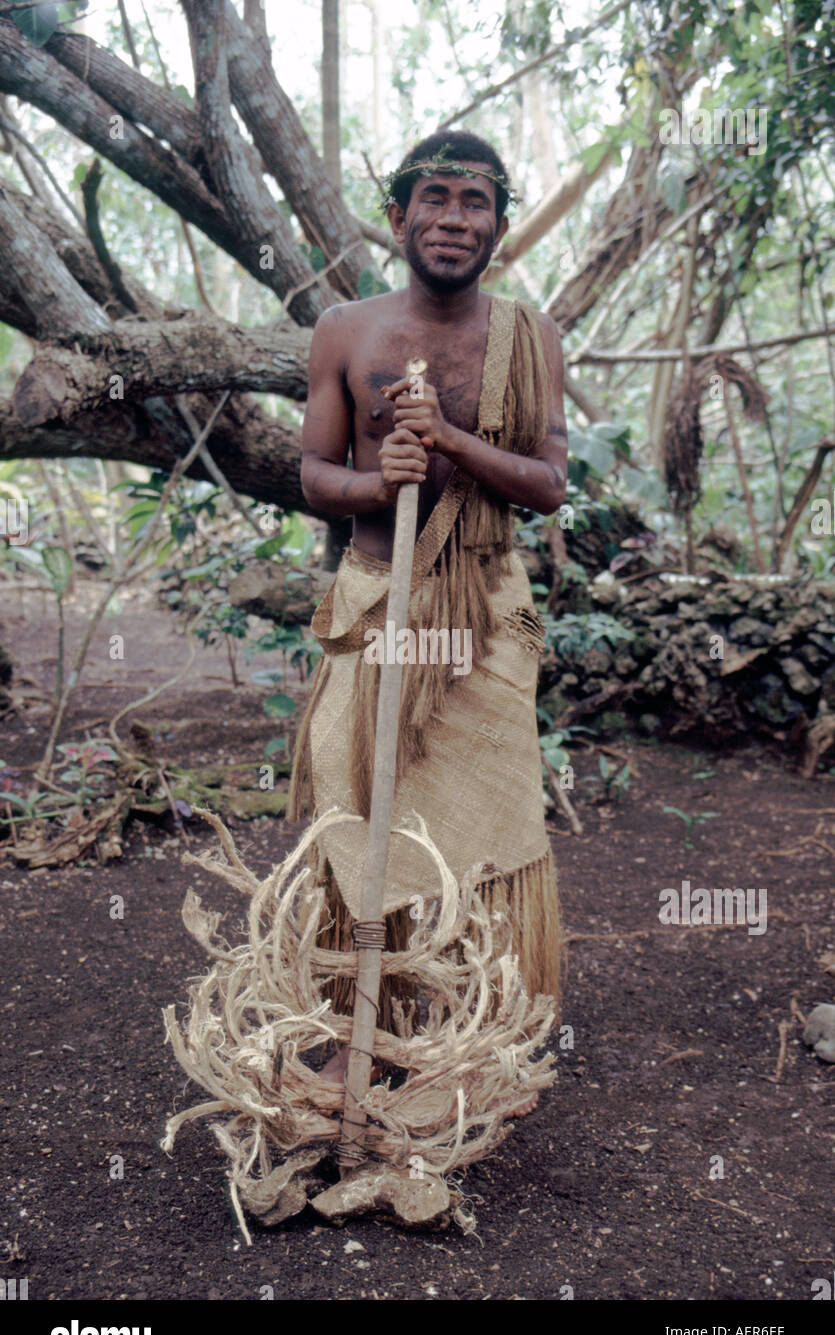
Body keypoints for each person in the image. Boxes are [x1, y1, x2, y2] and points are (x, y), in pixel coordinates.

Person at [288, 129, 568, 1111]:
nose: (456, 219)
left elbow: (547, 484)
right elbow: (313, 470)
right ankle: (360, 1029)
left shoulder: (527, 337)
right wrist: (374, 478)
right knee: (360, 815)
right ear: (398, 214)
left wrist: (449, 439)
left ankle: (468, 1032)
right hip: (376, 604)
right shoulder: (344, 330)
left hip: (485, 613)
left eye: (477, 202)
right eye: (436, 199)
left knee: (485, 830)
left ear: (498, 223)